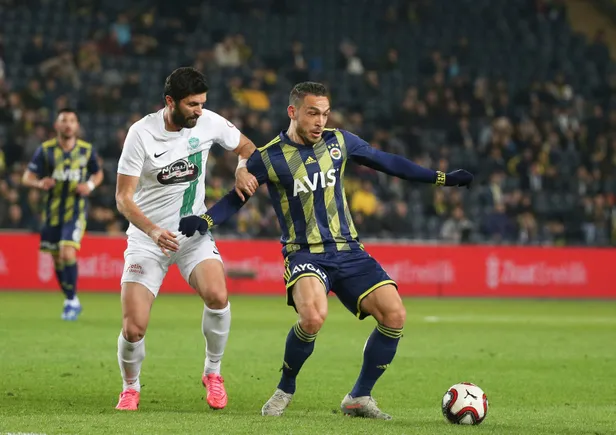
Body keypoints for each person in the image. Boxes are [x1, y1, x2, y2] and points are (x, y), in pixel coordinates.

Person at [177, 81, 474, 419]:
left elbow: (388, 162)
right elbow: (237, 198)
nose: (320, 121)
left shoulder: (340, 142)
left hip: (349, 250)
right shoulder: (269, 157)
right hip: (304, 253)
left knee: (395, 316)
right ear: (293, 112)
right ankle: (285, 387)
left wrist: (442, 179)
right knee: (313, 317)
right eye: (312, 113)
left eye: (325, 114)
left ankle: (359, 397)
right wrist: (206, 220)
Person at [114, 67, 259, 411]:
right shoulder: (141, 134)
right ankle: (131, 387)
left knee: (218, 295)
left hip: (191, 233)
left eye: (202, 103)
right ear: (170, 101)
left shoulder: (208, 122)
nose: (199, 110)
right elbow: (123, 198)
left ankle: (213, 373)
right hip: (148, 239)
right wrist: (152, 230)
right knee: (134, 329)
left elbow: (247, 146)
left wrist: (242, 167)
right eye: (192, 104)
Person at [22, 108, 104, 321]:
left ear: (77, 126)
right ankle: (71, 299)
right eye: (64, 120)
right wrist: (39, 183)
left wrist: (89, 186)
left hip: (75, 210)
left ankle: (71, 301)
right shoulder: (45, 150)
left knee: (67, 252)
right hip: (51, 212)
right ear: (56, 125)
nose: (68, 124)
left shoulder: (86, 150)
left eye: (72, 121)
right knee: (57, 258)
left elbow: (98, 173)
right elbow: (27, 177)